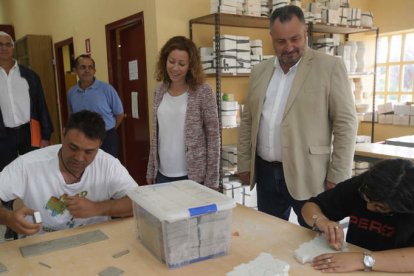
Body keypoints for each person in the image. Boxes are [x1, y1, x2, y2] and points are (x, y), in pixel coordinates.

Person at [237, 5, 357, 226]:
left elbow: (346, 124)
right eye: (281, 41)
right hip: (265, 172)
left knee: (313, 241)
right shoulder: (259, 71)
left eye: (295, 39)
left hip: (310, 174)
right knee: (271, 236)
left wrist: (338, 175)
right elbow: (248, 120)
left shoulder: (329, 67)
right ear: (271, 38)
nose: (289, 47)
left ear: (306, 33)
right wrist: (244, 162)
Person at [0, 110, 137, 236]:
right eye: (73, 147)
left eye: (89, 152)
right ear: (63, 133)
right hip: (40, 243)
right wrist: (8, 218)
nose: (79, 158)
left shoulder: (108, 164)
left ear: (99, 145)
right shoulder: (28, 165)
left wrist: (97, 208)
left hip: (94, 241)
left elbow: (139, 203)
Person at [301, 159, 414, 273]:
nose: (368, 207)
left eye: (380, 207)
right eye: (366, 199)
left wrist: (362, 260)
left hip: (396, 268)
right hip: (353, 261)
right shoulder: (364, 184)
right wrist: (321, 221)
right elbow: (310, 206)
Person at [146, 36, 220, 189]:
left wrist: (212, 180)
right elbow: (156, 135)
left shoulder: (203, 91)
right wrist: (151, 169)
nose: (175, 68)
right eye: (171, 62)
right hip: (162, 175)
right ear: (165, 61)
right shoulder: (159, 91)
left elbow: (213, 137)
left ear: (190, 66)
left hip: (192, 176)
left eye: (182, 64)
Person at [0, 31, 54, 240]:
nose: (3, 48)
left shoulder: (29, 75)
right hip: (3, 136)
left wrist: (46, 135)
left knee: (33, 176)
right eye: (0, 45)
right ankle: (13, 224)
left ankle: (38, 218)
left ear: (13, 47)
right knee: (6, 178)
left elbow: (41, 106)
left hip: (29, 132)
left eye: (7, 44)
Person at [68, 54, 124, 158]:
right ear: (75, 70)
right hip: (82, 138)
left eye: (90, 67)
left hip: (106, 137)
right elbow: (72, 115)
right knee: (87, 168)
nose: (87, 70)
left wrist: (107, 130)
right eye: (82, 67)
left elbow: (119, 114)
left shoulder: (106, 89)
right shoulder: (72, 93)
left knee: (108, 169)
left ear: (94, 70)